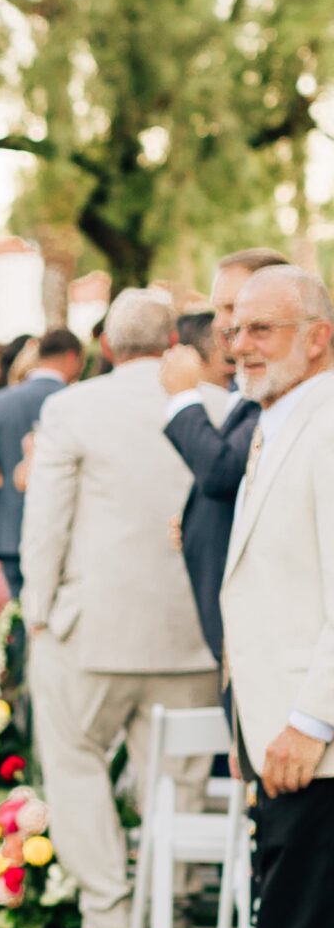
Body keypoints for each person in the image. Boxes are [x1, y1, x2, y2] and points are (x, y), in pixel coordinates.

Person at [21, 291, 223, 928]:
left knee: (75, 763)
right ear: (175, 343)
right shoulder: (220, 407)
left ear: (107, 345)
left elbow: (47, 518)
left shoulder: (74, 407)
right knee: (180, 774)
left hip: (92, 632)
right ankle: (172, 905)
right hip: (192, 631)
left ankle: (107, 917)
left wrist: (39, 610)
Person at [220, 265, 334, 928]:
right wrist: (248, 720)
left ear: (319, 338)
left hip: (314, 746)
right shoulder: (277, 425)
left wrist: (309, 720)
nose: (240, 345)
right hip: (277, 739)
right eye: (235, 329)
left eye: (262, 328)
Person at [160, 248, 287, 665]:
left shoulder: (280, 391)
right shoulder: (248, 390)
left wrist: (182, 398)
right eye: (218, 309)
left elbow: (222, 471)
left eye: (231, 307)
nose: (220, 325)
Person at [0, 326, 84, 601]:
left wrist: (6, 500)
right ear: (72, 357)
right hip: (68, 535)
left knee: (17, 623)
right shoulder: (77, 403)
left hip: (11, 535)